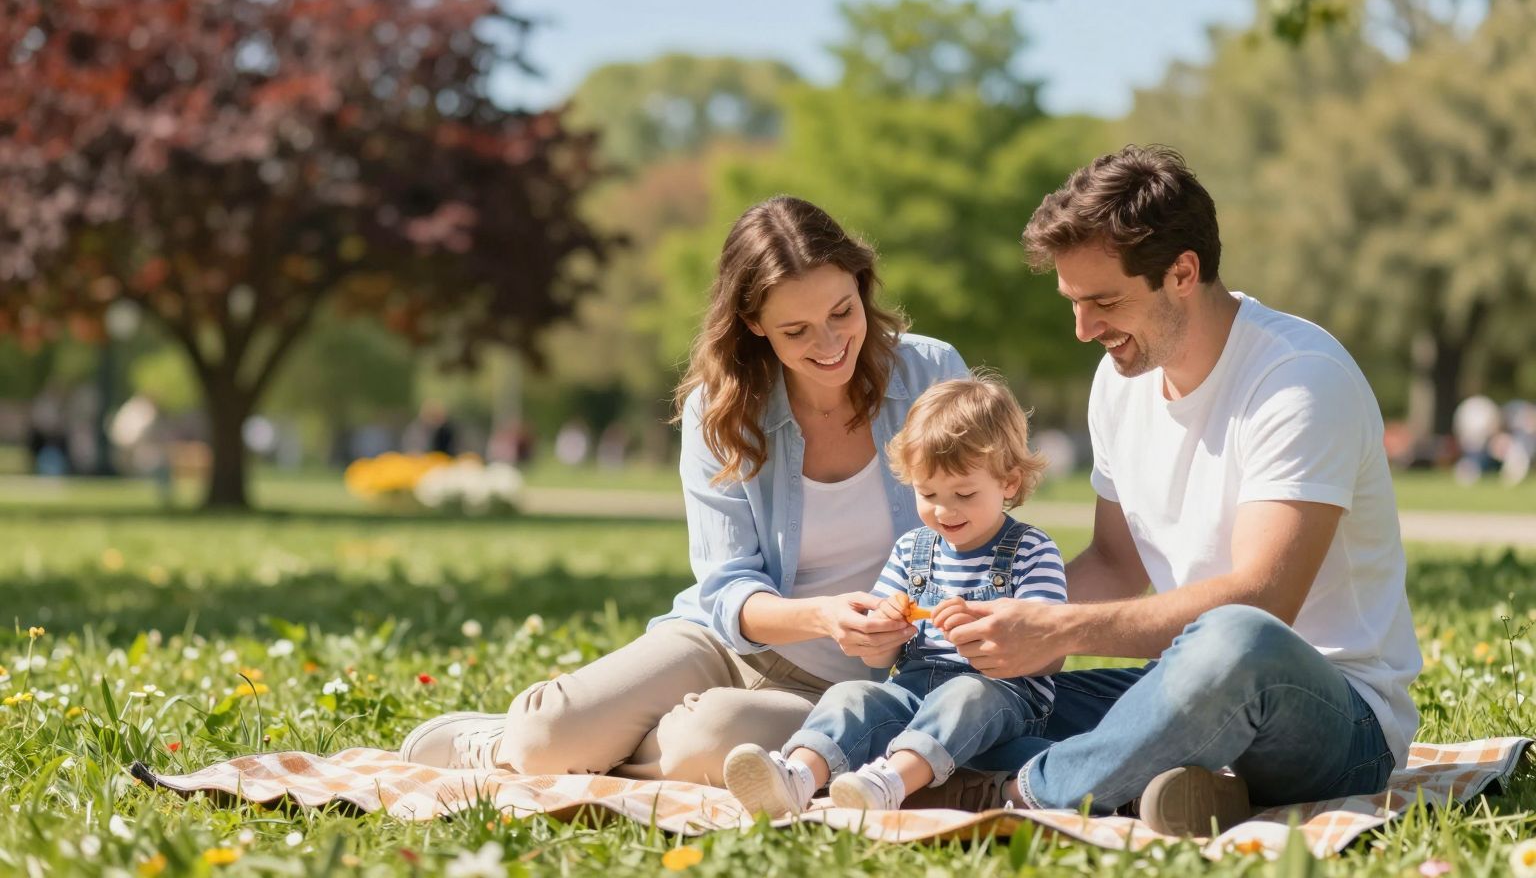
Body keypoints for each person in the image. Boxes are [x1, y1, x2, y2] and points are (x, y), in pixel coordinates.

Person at [933, 146, 1421, 837]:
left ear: (1183, 272)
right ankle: (1158, 786)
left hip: (1334, 719)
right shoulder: (1120, 381)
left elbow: (1264, 600)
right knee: (973, 705)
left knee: (1234, 640)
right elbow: (1114, 561)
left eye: (1103, 302)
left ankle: (1021, 791)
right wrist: (988, 626)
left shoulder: (1300, 380)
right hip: (1184, 689)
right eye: (1074, 304)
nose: (1084, 330)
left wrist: (1058, 631)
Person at [397, 195, 968, 781]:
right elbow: (727, 589)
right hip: (722, 644)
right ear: (755, 325)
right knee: (547, 737)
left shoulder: (932, 376)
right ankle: (513, 742)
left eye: (843, 313)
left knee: (708, 740)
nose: (828, 344)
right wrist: (824, 616)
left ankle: (602, 743)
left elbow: (987, 523)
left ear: (861, 284)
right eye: (796, 330)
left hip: (855, 690)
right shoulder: (721, 412)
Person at [723, 377, 1064, 815]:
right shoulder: (912, 550)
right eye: (927, 494)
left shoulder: (1032, 551)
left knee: (966, 694)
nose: (944, 510)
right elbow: (878, 663)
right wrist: (881, 631)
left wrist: (987, 633)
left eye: (963, 493)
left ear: (1010, 483)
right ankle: (796, 776)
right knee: (852, 695)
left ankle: (887, 783)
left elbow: (1051, 650)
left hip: (1002, 698)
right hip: (912, 690)